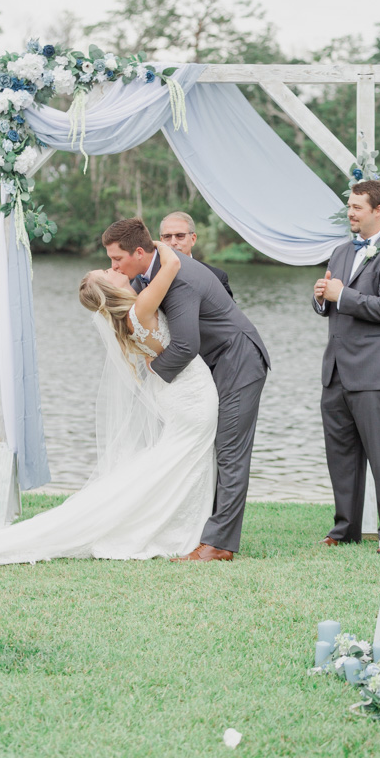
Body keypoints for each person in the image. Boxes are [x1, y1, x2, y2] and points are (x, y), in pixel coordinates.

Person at [0, 239, 219, 569]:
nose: (113, 267)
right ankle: (172, 530)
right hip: (189, 397)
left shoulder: (129, 318)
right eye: (108, 268)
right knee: (179, 461)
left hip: (180, 395)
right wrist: (150, 241)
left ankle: (181, 526)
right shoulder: (142, 306)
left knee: (177, 462)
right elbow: (173, 262)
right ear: (109, 289)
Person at [103, 217, 269, 562]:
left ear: (137, 252)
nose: (113, 265)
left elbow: (184, 346)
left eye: (117, 258)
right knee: (213, 449)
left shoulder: (178, 279)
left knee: (230, 451)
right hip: (214, 364)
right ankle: (202, 531)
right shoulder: (154, 271)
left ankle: (219, 545)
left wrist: (153, 373)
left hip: (238, 360)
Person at [312, 180, 380, 545]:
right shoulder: (340, 252)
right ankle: (344, 530)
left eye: (357, 207)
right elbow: (333, 303)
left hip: (378, 371)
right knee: (340, 455)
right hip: (337, 370)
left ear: (378, 211)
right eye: (350, 206)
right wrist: (323, 297)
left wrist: (344, 294)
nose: (350, 212)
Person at [160, 211, 233, 297]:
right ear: (161, 241)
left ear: (193, 239)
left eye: (180, 236)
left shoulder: (217, 277)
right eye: (167, 237)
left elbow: (229, 310)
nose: (173, 242)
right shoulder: (150, 275)